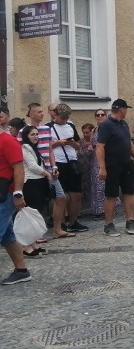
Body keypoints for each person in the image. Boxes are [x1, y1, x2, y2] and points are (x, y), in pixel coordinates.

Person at [96, 99, 134, 237]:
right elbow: (100, 146)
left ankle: (130, 221)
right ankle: (109, 225)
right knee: (111, 195)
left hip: (126, 164)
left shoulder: (123, 124)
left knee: (129, 192)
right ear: (121, 109)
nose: (127, 111)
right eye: (126, 109)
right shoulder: (106, 125)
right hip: (112, 165)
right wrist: (102, 167)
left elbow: (128, 143)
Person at [26, 103, 72, 239]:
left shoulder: (47, 129)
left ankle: (57, 229)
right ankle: (36, 234)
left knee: (61, 197)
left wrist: (54, 166)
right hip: (35, 171)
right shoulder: (25, 130)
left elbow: (49, 149)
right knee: (36, 202)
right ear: (32, 114)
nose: (42, 114)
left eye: (42, 111)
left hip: (49, 169)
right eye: (39, 111)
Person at [48, 103, 87, 233]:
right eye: (62, 117)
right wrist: (58, 143)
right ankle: (61, 223)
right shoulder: (48, 127)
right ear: (55, 115)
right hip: (58, 162)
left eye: (66, 117)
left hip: (72, 161)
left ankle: (73, 222)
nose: (64, 120)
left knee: (76, 194)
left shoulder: (70, 126)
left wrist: (72, 143)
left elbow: (78, 145)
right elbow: (45, 147)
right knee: (61, 196)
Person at [0, 131, 32, 285]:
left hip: (5, 194)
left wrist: (18, 194)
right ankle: (22, 271)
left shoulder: (8, 141)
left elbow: (19, 168)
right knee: (8, 236)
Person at [19, 126, 52, 258]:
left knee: (35, 215)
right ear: (26, 136)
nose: (36, 136)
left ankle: (32, 243)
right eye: (32, 134)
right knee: (30, 216)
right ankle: (26, 246)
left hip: (38, 182)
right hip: (31, 183)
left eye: (37, 134)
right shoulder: (25, 148)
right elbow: (32, 166)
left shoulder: (34, 148)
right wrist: (47, 174)